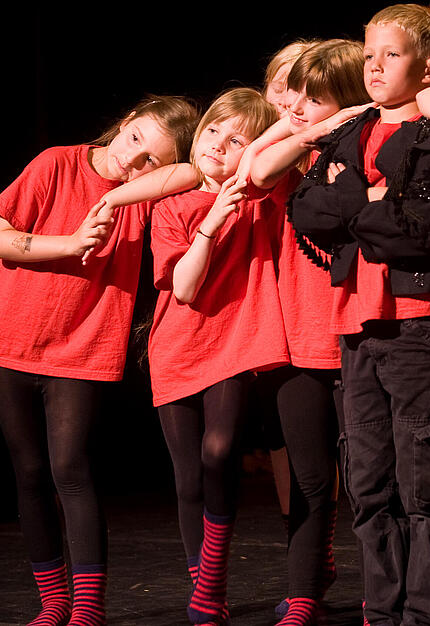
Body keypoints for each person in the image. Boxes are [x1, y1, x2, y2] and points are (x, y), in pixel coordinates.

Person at [287, 3, 430, 626]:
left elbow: (416, 230)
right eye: (368, 54)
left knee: (427, 483)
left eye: (389, 55)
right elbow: (304, 210)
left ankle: (426, 615)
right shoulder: (347, 131)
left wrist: (357, 202)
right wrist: (361, 197)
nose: (373, 66)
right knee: (368, 483)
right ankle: (382, 610)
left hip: (416, 322)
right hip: (354, 327)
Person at [0, 95, 198, 626]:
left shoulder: (144, 196)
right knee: (29, 471)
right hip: (10, 337)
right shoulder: (57, 162)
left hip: (82, 346)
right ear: (123, 124)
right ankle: (52, 603)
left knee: (69, 468)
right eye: (135, 139)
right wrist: (71, 242)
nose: (135, 159)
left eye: (152, 158)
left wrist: (138, 185)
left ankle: (87, 607)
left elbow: (199, 169)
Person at [143, 88, 288, 624]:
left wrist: (244, 169)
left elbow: (286, 141)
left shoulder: (260, 198)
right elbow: (183, 287)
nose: (217, 147)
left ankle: (212, 580)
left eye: (235, 141)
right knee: (186, 477)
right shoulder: (171, 206)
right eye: (212, 132)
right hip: (177, 346)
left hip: (234, 342)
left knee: (219, 451)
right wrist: (213, 219)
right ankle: (205, 588)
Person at [249, 38, 372, 626]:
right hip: (299, 338)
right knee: (311, 476)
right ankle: (305, 592)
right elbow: (254, 168)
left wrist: (350, 124)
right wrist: (314, 125)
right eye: (292, 92)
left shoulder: (364, 151)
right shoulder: (292, 157)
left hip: (360, 333)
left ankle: (385, 587)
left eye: (312, 96)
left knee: (373, 475)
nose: (294, 105)